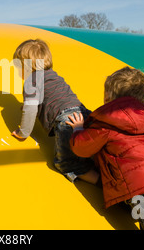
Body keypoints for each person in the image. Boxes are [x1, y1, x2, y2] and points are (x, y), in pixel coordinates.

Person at [66, 66, 144, 230]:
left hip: (142, 185)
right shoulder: (143, 117)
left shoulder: (107, 121)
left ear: (108, 97)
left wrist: (78, 129)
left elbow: (81, 148)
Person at [10, 39, 100, 184]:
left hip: (67, 121)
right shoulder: (54, 75)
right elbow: (52, 98)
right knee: (88, 151)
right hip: (83, 114)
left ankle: (100, 182)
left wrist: (23, 133)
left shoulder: (31, 81)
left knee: (65, 163)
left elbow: (31, 108)